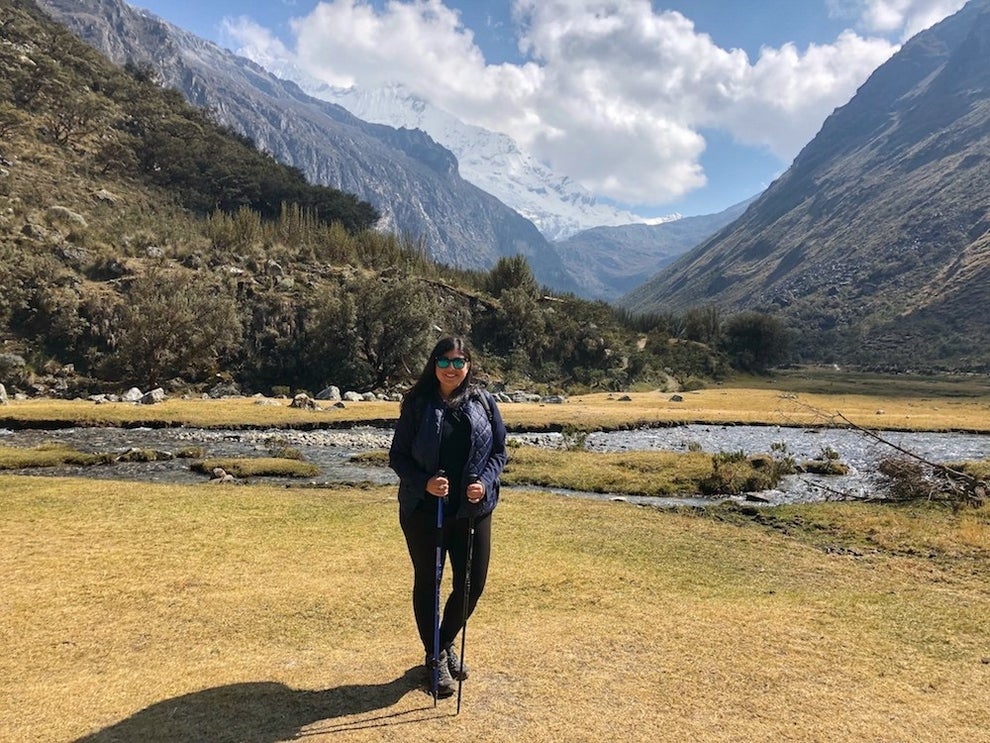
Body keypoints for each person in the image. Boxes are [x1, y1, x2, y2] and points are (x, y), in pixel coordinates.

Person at [389, 336, 508, 698]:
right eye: (445, 362)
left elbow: (499, 452)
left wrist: (485, 484)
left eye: (459, 362)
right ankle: (434, 656)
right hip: (425, 510)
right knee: (430, 582)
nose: (452, 368)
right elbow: (398, 457)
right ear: (434, 365)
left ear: (469, 365)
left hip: (473, 510)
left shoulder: (484, 402)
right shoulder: (417, 404)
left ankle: (442, 643)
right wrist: (425, 482)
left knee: (472, 584)